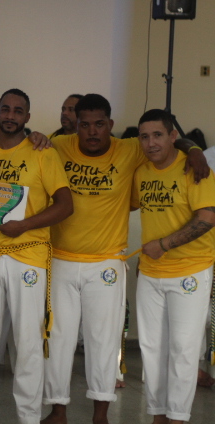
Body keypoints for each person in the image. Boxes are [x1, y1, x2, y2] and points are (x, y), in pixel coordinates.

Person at [42, 94, 209, 424]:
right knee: (58, 339)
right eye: (85, 125)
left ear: (111, 125)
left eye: (99, 124)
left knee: (105, 342)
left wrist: (195, 150)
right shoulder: (58, 146)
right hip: (61, 258)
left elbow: (170, 136)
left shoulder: (131, 149)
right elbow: (23, 147)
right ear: (75, 125)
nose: (92, 131)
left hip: (108, 263)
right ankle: (57, 410)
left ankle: (101, 415)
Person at [0, 89, 73, 424]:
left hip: (28, 256)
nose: (11, 116)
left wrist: (24, 224)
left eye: (18, 111)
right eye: (6, 109)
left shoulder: (43, 152)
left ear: (27, 117)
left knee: (27, 342)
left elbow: (66, 206)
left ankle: (28, 416)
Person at [132, 109, 215, 424]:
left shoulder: (195, 170)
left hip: (190, 272)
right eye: (144, 137)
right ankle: (157, 415)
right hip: (151, 274)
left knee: (183, 349)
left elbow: (207, 218)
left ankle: (177, 417)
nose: (151, 143)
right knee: (152, 349)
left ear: (172, 137)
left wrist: (164, 245)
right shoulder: (142, 172)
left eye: (157, 135)